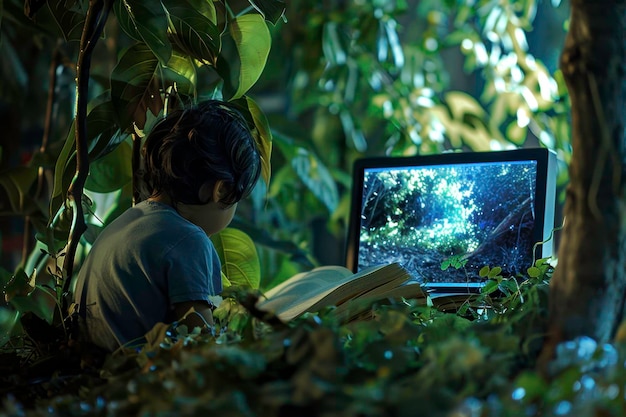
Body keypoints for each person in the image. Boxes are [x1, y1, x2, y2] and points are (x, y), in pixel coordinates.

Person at [73, 100, 261, 352]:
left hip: (91, 374)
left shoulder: (124, 223)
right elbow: (201, 347)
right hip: (135, 383)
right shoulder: (189, 240)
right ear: (222, 190)